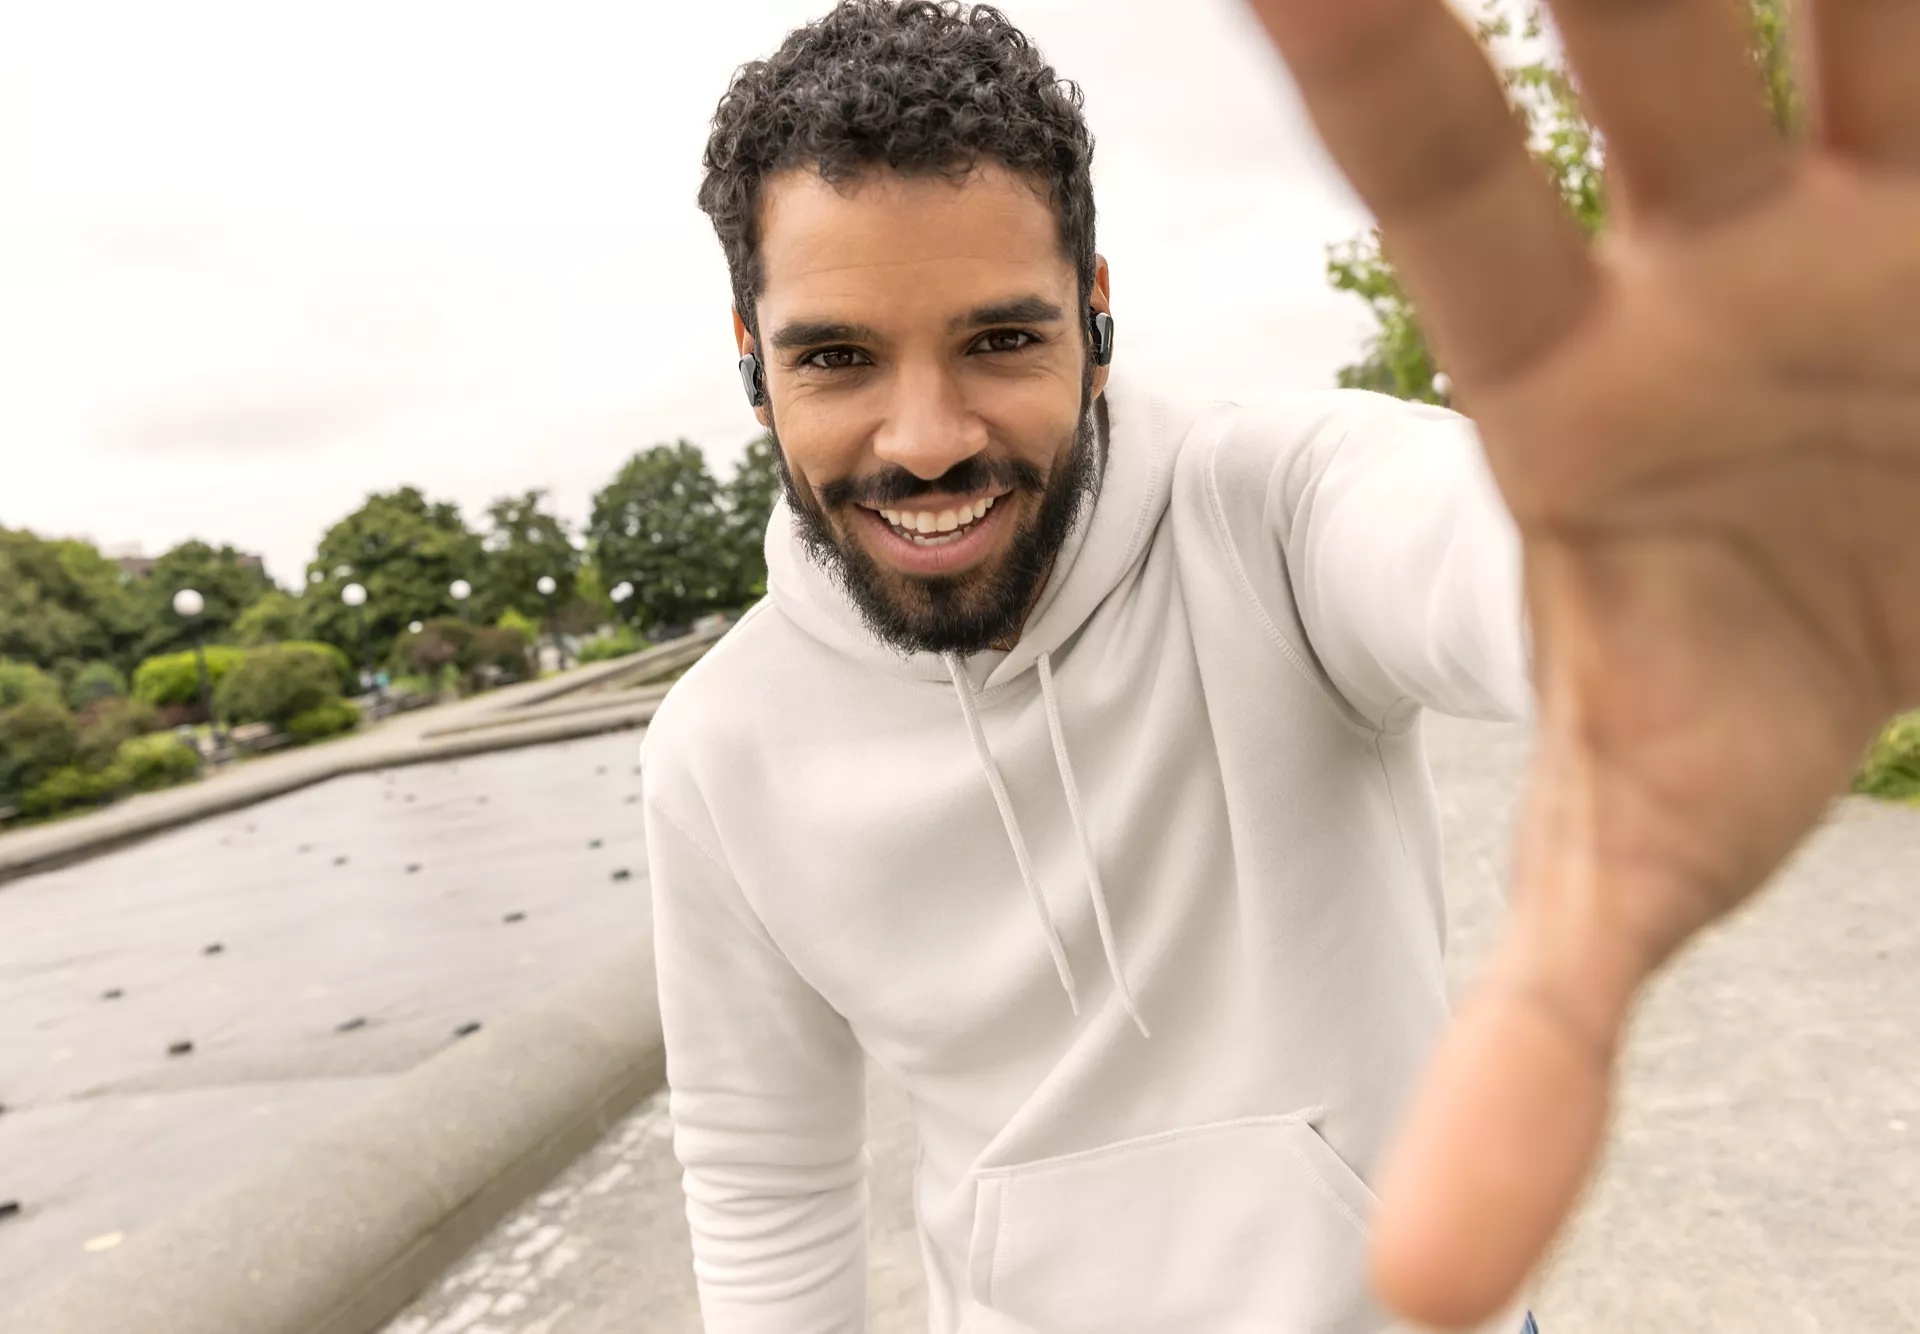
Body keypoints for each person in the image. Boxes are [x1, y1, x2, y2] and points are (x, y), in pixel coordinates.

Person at [640, 1, 1920, 1330]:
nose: (923, 439)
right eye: (838, 357)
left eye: (999, 339)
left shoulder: (1272, 509)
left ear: (1096, 313)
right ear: (755, 364)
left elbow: (1459, 538)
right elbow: (763, 1187)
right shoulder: (719, 752)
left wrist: (1684, 569)